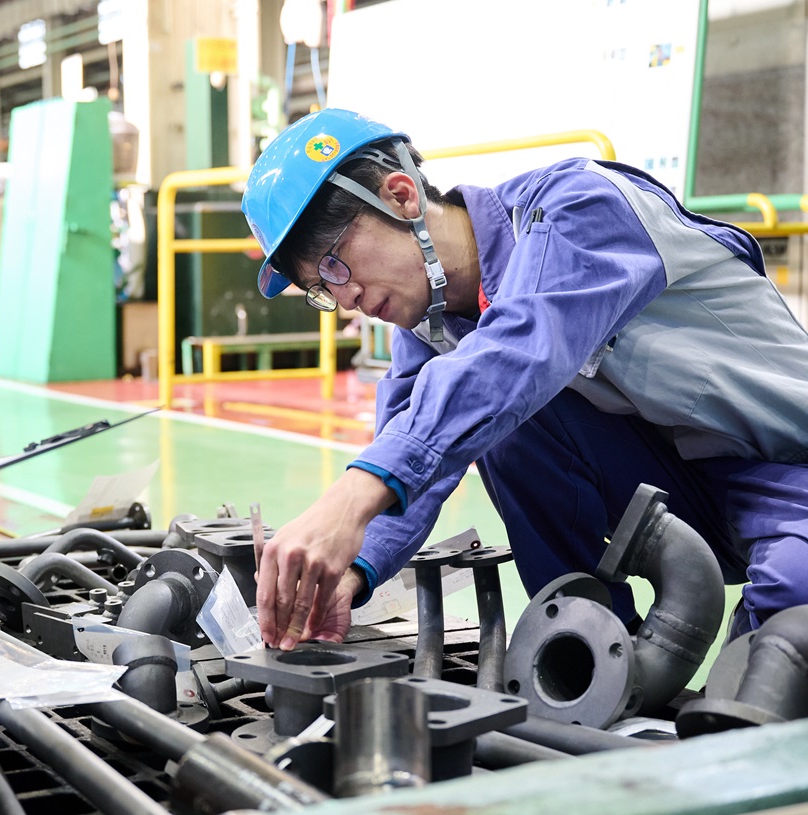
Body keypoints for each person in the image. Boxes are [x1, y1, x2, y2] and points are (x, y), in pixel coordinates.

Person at [241, 107, 808, 652]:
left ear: (401, 195)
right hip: (684, 496)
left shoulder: (580, 206)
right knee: (499, 417)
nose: (345, 299)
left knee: (786, 628)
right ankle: (590, 647)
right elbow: (409, 457)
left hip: (788, 469)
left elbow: (520, 351)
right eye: (322, 289)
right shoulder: (432, 327)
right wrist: (350, 573)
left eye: (335, 263)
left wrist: (347, 500)